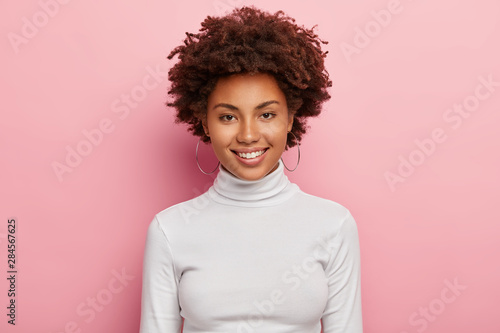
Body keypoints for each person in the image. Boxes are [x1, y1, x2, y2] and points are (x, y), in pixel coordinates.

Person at [140, 6, 362, 333]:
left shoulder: (334, 225)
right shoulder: (170, 231)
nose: (247, 135)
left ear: (291, 118)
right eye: (228, 116)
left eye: (267, 115)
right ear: (205, 121)